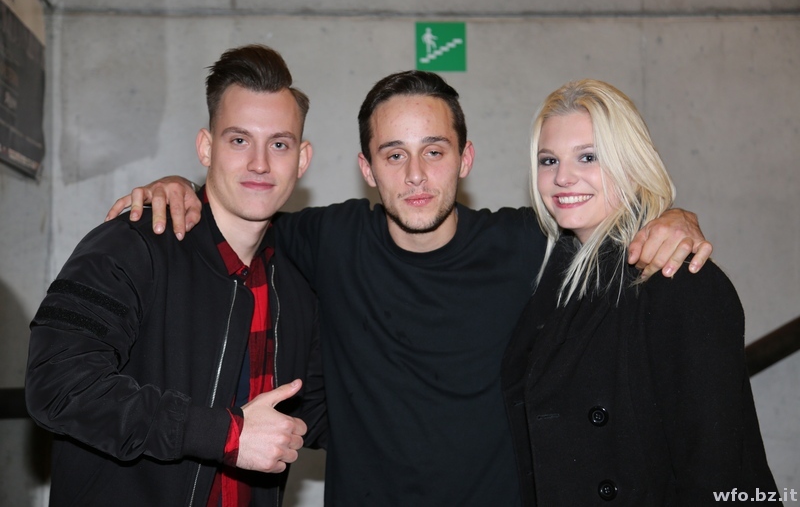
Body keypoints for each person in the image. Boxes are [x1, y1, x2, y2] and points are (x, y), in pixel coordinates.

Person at [106, 71, 712, 506]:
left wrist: (673, 218)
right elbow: (239, 212)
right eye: (394, 155)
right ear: (367, 169)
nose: (416, 175)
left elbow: (609, 225)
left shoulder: (531, 244)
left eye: (434, 151)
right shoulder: (329, 239)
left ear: (465, 159)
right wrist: (179, 187)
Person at [25, 44, 326, 507]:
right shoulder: (132, 245)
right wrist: (224, 434)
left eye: (279, 144)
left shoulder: (294, 283)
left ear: (302, 159)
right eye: (239, 140)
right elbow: (57, 385)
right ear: (206, 147)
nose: (260, 163)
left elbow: (320, 412)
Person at [501, 79, 778, 505]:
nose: (563, 177)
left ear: (631, 165)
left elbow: (720, 467)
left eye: (588, 157)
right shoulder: (553, 275)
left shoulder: (678, 279)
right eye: (548, 160)